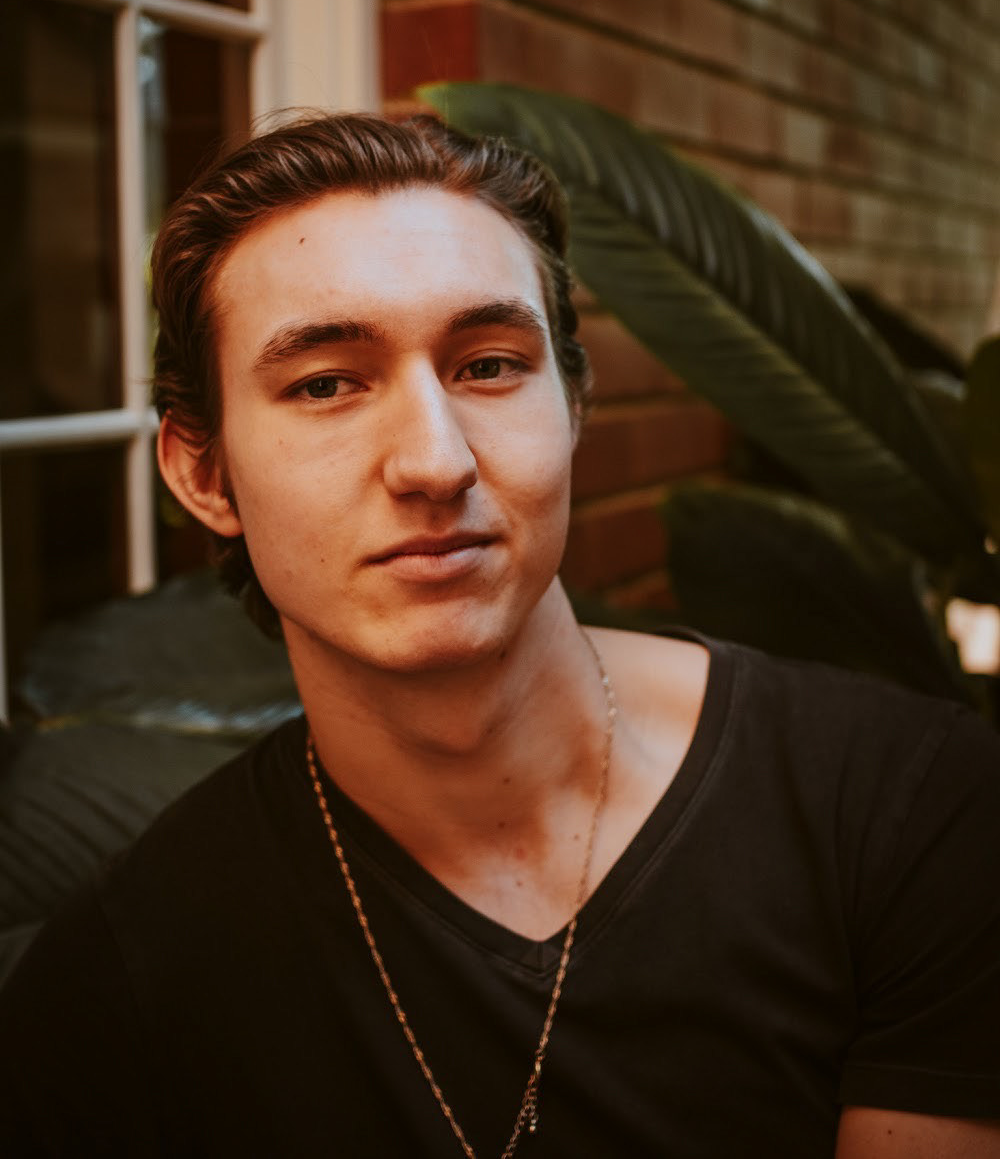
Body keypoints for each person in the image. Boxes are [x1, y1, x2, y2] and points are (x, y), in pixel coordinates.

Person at [1, 112, 999, 1158]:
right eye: (326, 383)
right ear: (204, 475)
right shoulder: (127, 978)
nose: (435, 462)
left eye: (486, 365)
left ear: (573, 406)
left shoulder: (904, 811)